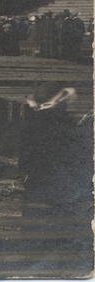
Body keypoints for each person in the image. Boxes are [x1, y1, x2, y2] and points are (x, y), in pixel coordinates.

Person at [19, 82, 94, 219]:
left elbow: (24, 162)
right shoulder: (70, 127)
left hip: (37, 191)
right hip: (67, 194)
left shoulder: (31, 127)